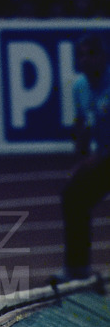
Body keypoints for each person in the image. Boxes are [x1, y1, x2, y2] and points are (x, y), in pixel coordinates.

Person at [55, 33, 110, 283]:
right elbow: (83, 127)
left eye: (91, 54)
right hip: (104, 158)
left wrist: (97, 157)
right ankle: (77, 270)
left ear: (103, 57)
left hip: (105, 156)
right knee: (73, 196)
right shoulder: (80, 87)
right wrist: (80, 160)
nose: (85, 60)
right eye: (81, 55)